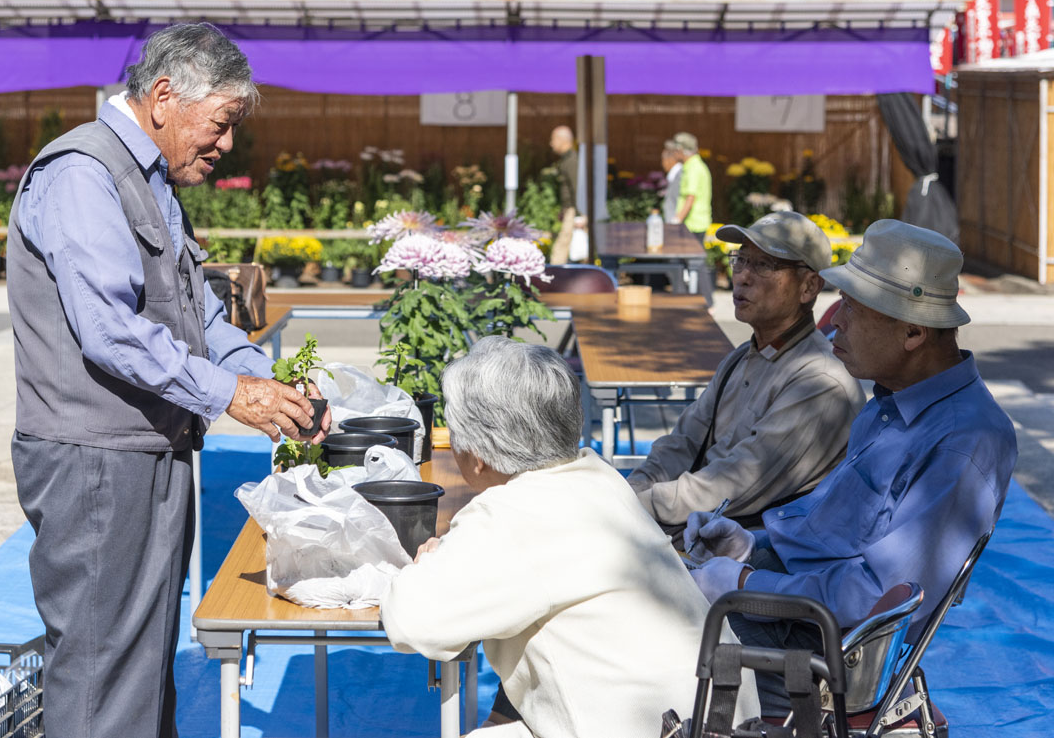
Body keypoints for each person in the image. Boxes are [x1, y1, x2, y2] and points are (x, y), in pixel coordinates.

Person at [6, 23, 330, 738]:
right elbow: (111, 330)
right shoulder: (83, 174)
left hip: (145, 453)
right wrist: (229, 394)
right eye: (220, 124)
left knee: (145, 660)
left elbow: (201, 315)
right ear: (162, 98)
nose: (227, 145)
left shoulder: (145, 179)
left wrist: (265, 383)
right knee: (102, 667)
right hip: (95, 462)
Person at [686, 220, 1017, 716]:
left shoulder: (963, 441)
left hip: (824, 655)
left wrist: (744, 585)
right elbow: (835, 534)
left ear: (912, 331)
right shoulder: (892, 401)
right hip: (802, 613)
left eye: (853, 310)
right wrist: (753, 545)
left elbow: (874, 596)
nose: (833, 321)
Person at [381, 337, 757, 737]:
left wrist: (427, 564)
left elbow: (412, 622)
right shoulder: (600, 477)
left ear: (478, 456)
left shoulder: (511, 515)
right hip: (724, 719)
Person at [627, 211, 863, 535]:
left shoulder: (820, 382)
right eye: (740, 260)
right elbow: (682, 442)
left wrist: (632, 505)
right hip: (696, 528)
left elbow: (732, 485)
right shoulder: (742, 356)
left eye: (764, 265)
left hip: (740, 552)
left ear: (809, 287)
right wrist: (632, 490)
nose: (741, 277)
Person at [547, 125, 579, 264]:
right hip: (569, 210)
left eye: (553, 139)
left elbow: (577, 187)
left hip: (573, 210)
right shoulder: (566, 160)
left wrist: (579, 214)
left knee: (561, 247)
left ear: (562, 140)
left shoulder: (572, 160)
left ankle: (554, 278)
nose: (551, 143)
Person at [673, 131, 712, 239]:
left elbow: (690, 198)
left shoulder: (693, 169)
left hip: (693, 225)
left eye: (675, 150)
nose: (674, 153)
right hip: (695, 224)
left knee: (691, 256)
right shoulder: (696, 165)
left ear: (681, 150)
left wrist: (676, 221)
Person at [661, 140, 683, 224]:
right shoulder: (675, 176)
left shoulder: (680, 175)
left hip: (676, 225)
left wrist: (675, 221)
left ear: (669, 159)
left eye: (662, 159)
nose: (662, 163)